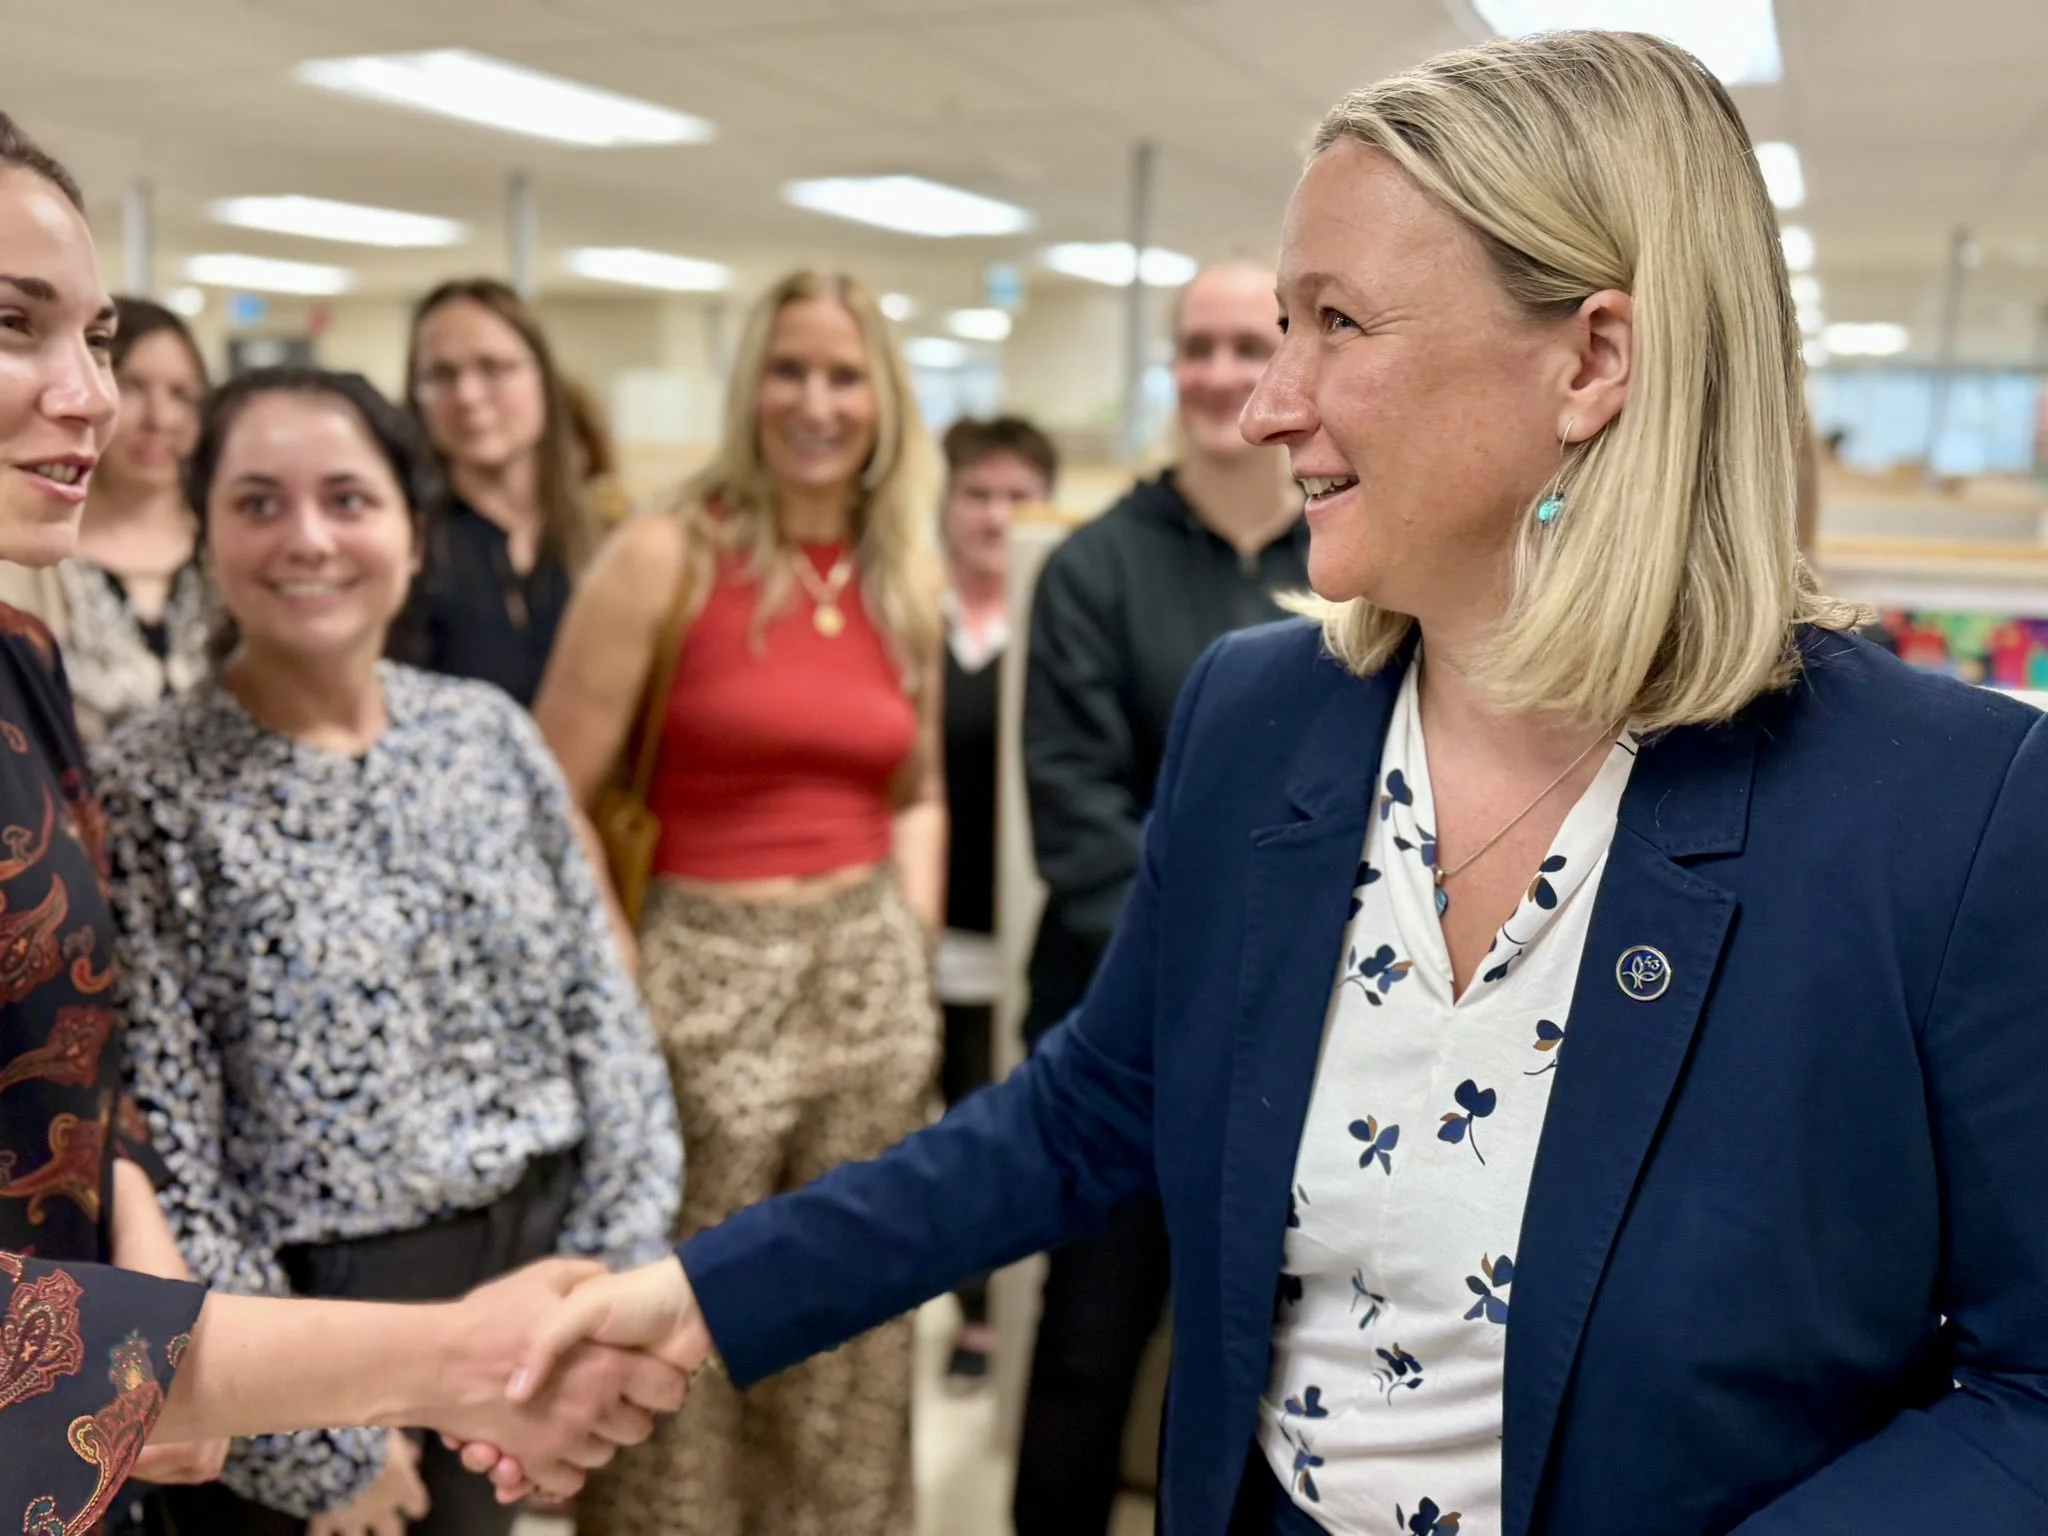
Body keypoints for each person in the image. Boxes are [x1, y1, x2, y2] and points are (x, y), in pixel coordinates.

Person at [476, 30, 2048, 1536]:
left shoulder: (1947, 813)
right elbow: (1085, 1113)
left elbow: (2028, 1392)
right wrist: (691, 1298)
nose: (1263, 403)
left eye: (1336, 325)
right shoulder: (1264, 719)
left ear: (1593, 360)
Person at [0, 109, 682, 1526]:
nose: (308, 540)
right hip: (289, 1342)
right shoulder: (157, 780)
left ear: (413, 531)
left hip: (520, 1296)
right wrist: (313, 1446)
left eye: (349, 500)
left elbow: (608, 1031)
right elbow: (168, 1119)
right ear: (206, 538)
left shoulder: (483, 737)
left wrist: (602, 1309)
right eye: (257, 503)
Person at [531, 267, 946, 1536]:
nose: (814, 402)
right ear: (747, 385)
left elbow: (916, 787)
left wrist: (906, 937)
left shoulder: (897, 577)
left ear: (879, 397)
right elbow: (546, 805)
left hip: (863, 981)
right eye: (788, 370)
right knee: (680, 1336)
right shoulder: (663, 552)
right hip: (701, 980)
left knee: (851, 1336)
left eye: (841, 374)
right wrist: (625, 977)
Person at [1015, 258, 1307, 1533]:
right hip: (1118, 1030)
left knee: (1253, 1350)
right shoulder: (1093, 567)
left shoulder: (1355, 551)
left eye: (1253, 342)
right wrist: (1233, 963)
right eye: (1196, 346)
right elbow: (1077, 827)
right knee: (1086, 1338)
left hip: (1308, 1041)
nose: (1221, 373)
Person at [932, 413, 1058, 1384]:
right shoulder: (910, 617)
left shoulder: (1050, 623)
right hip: (917, 921)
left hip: (1009, 925)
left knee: (989, 1113)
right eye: (976, 492)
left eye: (1016, 497)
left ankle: (985, 1312)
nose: (993, 514)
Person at [0, 296, 210, 743]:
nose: (161, 418)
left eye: (182, 395)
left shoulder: (230, 551)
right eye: (133, 386)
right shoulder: (27, 558)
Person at [398, 279, 597, 708]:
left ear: (543, 377)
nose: (468, 396)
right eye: (441, 375)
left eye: (493, 368)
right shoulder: (403, 546)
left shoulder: (605, 540)